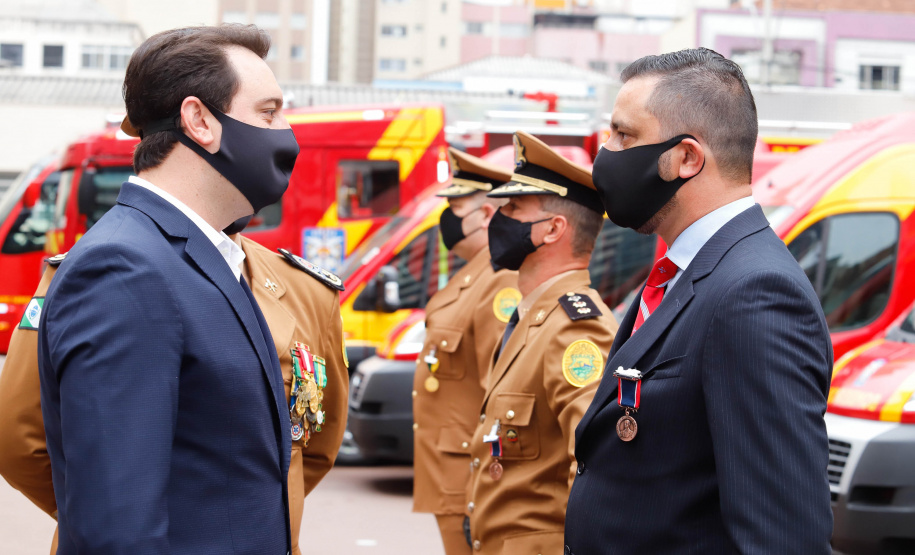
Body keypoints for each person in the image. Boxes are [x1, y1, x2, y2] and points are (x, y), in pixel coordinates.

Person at [36, 25, 301, 553]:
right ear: (199, 120)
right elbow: (116, 530)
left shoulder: (201, 254)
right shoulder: (125, 269)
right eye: (268, 112)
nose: (286, 133)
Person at [565, 48, 833, 554]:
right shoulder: (690, 271)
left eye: (624, 135)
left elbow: (782, 535)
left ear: (686, 158)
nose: (606, 154)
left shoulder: (754, 294)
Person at [0, 222, 348, 555]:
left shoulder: (308, 291)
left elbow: (317, 447)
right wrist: (108, 521)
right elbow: (18, 439)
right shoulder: (90, 272)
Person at [464, 131, 617, 555]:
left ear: (552, 229)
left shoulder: (575, 328)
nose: (499, 216)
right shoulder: (533, 317)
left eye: (514, 208)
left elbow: (593, 465)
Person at [412, 148, 519, 555]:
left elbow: (499, 391)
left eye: (456, 208)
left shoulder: (500, 280)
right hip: (451, 468)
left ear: (487, 216)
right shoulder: (474, 273)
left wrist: (491, 476)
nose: (447, 220)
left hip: (472, 473)